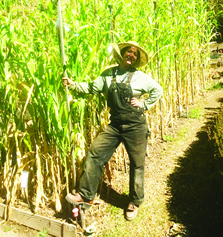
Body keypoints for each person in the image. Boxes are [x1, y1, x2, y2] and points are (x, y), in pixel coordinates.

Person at [63, 41, 163, 221]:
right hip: (115, 124)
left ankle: (134, 201)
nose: (131, 55)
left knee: (137, 163)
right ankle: (86, 195)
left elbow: (158, 90)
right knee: (95, 153)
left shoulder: (141, 77)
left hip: (135, 125)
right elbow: (92, 88)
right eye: (128, 52)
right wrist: (72, 85)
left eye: (135, 54)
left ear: (137, 58)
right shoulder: (108, 74)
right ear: (122, 54)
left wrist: (144, 104)